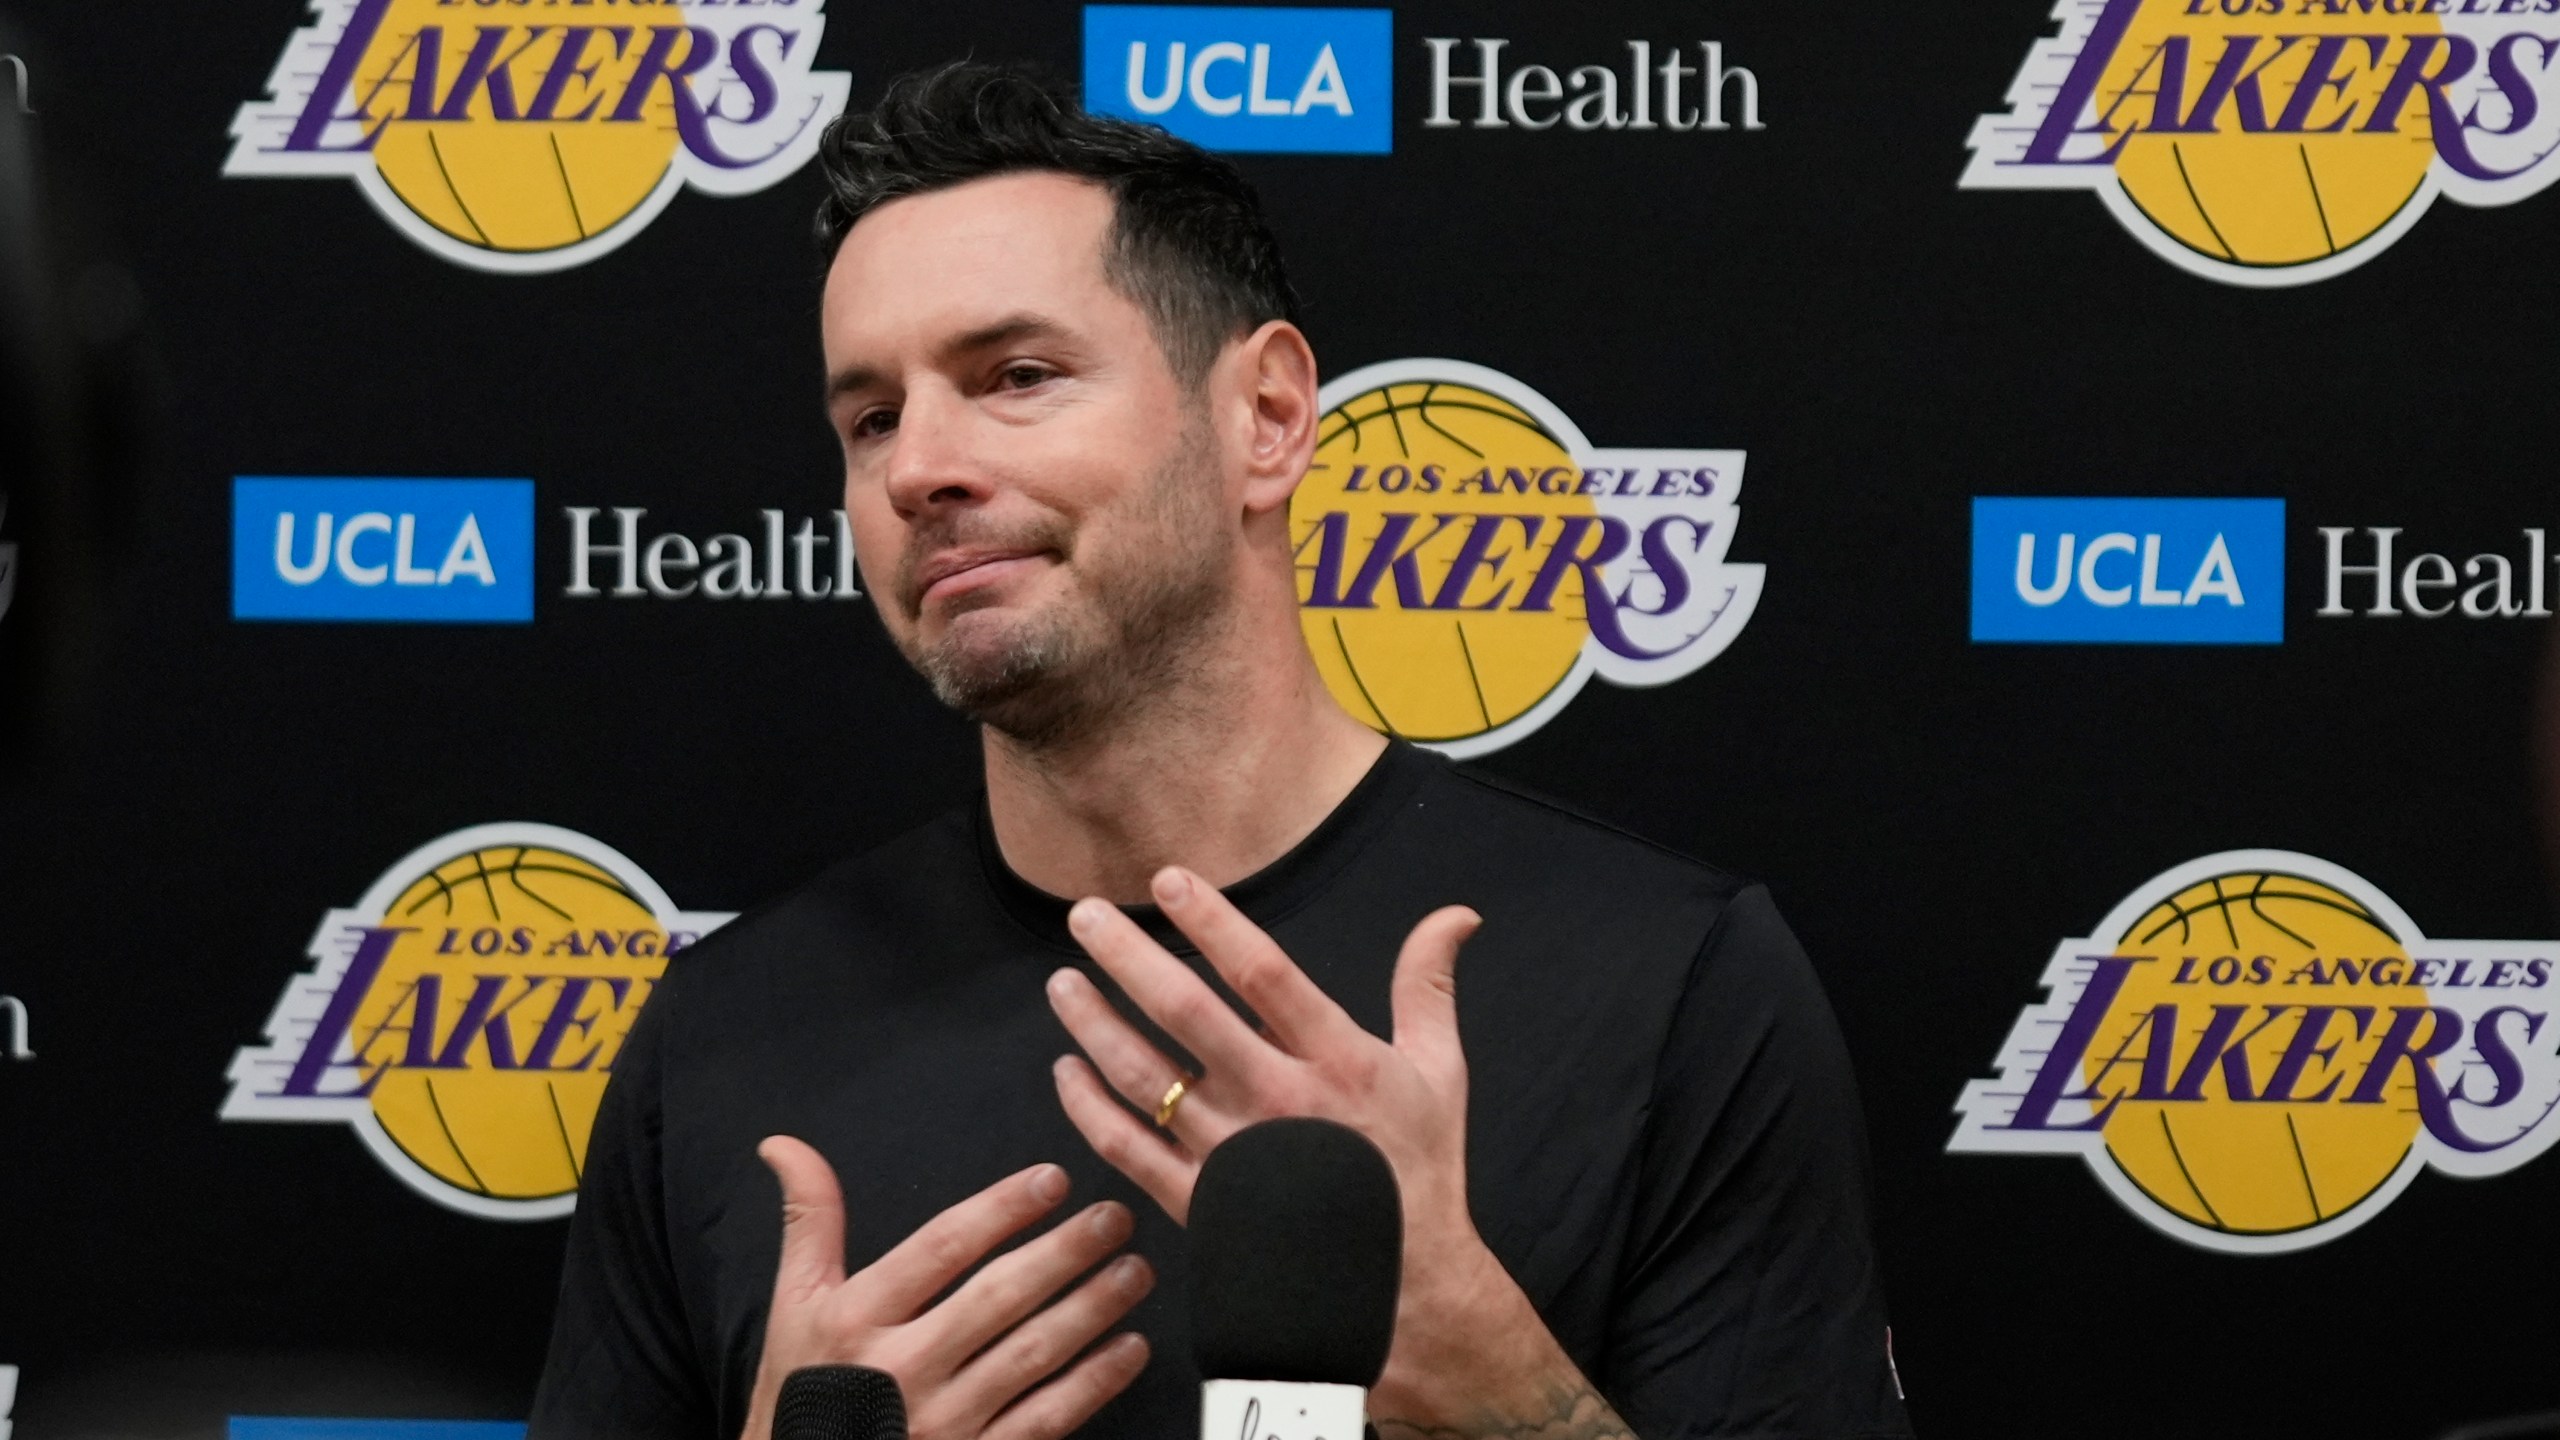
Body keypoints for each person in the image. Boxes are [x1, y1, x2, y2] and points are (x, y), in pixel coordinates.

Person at [529, 61, 1912, 1440]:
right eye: (871, 418)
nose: (916, 470)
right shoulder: (718, 1040)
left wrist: (1508, 1399)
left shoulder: (1668, 984)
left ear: (1266, 417)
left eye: (1015, 376)